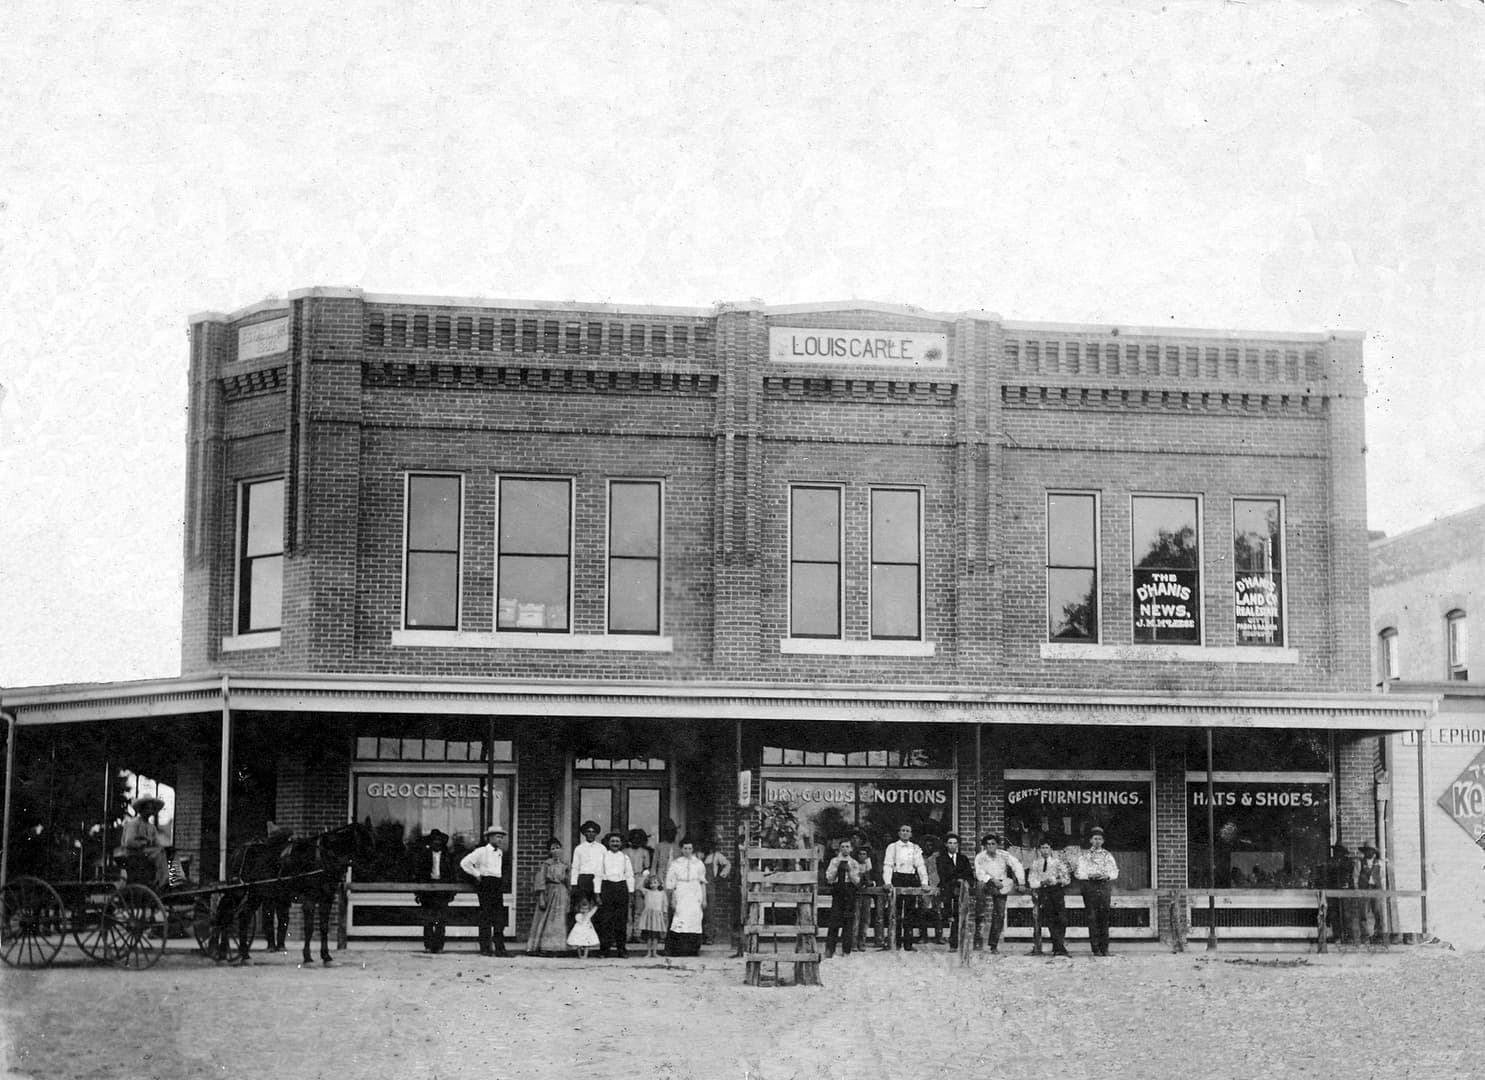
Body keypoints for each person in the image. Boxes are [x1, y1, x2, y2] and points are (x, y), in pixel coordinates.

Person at [459, 825, 509, 957]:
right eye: (498, 837)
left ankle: (500, 948)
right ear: (490, 837)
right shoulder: (481, 851)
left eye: (501, 837)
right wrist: (477, 874)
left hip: (497, 883)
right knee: (485, 916)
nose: (500, 840)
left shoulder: (500, 852)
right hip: (486, 884)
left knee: (499, 917)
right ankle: (485, 948)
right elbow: (465, 863)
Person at [972, 833, 1025, 953]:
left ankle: (993, 944)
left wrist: (1021, 882)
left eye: (993, 844)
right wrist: (992, 880)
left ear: (997, 845)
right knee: (980, 910)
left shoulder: (1004, 855)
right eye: (988, 844)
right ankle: (978, 940)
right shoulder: (980, 857)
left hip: (1001, 884)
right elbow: (980, 873)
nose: (990, 846)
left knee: (999, 914)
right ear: (985, 846)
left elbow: (1017, 865)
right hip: (987, 882)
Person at [411, 828, 459, 954]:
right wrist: (418, 892)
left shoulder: (448, 857)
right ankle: (428, 946)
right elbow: (418, 875)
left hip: (442, 891)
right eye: (434, 841)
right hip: (428, 890)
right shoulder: (423, 856)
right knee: (428, 920)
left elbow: (453, 875)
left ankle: (439, 946)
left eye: (439, 841)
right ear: (430, 842)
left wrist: (452, 893)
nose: (436, 843)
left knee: (441, 920)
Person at [882, 824, 928, 950]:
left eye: (908, 831)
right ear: (899, 833)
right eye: (902, 830)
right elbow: (888, 865)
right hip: (897, 879)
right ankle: (895, 942)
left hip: (911, 879)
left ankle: (908, 944)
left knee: (910, 912)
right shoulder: (892, 847)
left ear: (911, 834)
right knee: (895, 912)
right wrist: (887, 881)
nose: (905, 833)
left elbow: (920, 866)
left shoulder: (915, 848)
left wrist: (924, 882)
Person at [1074, 826, 1118, 957]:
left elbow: (1114, 871)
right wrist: (1089, 876)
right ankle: (1095, 949)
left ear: (1103, 841)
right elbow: (1079, 872)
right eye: (1095, 838)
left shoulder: (1107, 855)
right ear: (1090, 840)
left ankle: (1105, 948)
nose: (1097, 841)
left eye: (1100, 839)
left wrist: (1107, 876)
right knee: (1092, 917)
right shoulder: (1085, 856)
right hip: (1090, 887)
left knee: (1104, 917)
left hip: (1104, 886)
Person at [526, 837, 571, 956]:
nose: (556, 851)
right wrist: (541, 897)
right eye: (553, 849)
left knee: (559, 921)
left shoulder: (565, 865)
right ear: (549, 851)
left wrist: (569, 893)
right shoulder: (546, 865)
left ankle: (558, 947)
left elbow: (568, 881)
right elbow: (540, 881)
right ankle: (545, 946)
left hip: (561, 893)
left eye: (558, 848)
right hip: (549, 892)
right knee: (547, 920)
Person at [1027, 840, 1072, 957]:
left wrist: (1055, 880)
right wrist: (1041, 882)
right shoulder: (1035, 864)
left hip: (1057, 891)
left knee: (1061, 919)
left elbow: (1067, 879)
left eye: (1047, 847)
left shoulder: (1058, 863)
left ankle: (1059, 945)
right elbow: (1031, 880)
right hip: (1044, 892)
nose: (1045, 850)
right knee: (1050, 919)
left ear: (1051, 849)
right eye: (1042, 848)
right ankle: (1058, 947)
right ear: (1039, 850)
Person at [664, 837, 708, 956]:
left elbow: (703, 882)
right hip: (681, 891)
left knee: (694, 918)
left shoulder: (698, 864)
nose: (687, 851)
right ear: (681, 849)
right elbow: (671, 883)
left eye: (689, 848)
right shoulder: (676, 863)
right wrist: (673, 898)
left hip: (695, 891)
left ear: (693, 849)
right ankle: (677, 949)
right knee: (680, 918)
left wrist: (704, 898)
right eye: (685, 848)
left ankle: (692, 950)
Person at [595, 831, 635, 957]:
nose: (615, 844)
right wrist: (597, 893)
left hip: (621, 888)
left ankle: (621, 949)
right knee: (606, 920)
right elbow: (598, 876)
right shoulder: (602, 857)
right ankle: (604, 949)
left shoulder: (625, 857)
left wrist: (631, 892)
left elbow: (629, 875)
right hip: (607, 887)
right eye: (612, 841)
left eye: (617, 841)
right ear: (608, 843)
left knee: (621, 920)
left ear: (621, 843)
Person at [823, 837, 864, 958]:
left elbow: (857, 881)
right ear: (839, 849)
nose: (845, 849)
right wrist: (837, 869)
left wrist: (849, 871)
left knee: (848, 921)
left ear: (851, 849)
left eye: (847, 846)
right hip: (838, 891)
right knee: (834, 920)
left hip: (849, 891)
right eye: (843, 847)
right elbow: (829, 878)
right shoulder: (834, 861)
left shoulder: (854, 863)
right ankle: (830, 949)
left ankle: (846, 950)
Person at [259, 822, 294, 952]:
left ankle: (279, 943)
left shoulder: (285, 851)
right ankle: (271, 943)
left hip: (282, 888)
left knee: (282, 916)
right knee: (270, 916)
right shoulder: (267, 852)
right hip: (270, 888)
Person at [121, 795, 169, 888]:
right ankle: (161, 881)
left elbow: (156, 843)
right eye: (147, 808)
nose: (150, 811)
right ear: (141, 809)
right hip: (134, 854)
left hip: (147, 854)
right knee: (159, 852)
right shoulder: (134, 823)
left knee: (165, 851)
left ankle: (167, 879)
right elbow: (128, 842)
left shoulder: (152, 827)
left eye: (151, 809)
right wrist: (142, 843)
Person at [935, 833, 973, 949]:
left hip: (959, 891)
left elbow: (969, 875)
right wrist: (957, 879)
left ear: (958, 845)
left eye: (955, 843)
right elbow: (943, 875)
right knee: (946, 913)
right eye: (950, 843)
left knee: (958, 915)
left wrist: (963, 881)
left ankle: (954, 944)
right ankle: (940, 937)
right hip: (946, 890)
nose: (952, 845)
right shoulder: (940, 859)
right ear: (946, 845)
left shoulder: (963, 859)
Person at [624, 829, 654, 943]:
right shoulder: (625, 851)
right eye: (634, 838)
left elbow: (646, 868)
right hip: (627, 879)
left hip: (640, 879)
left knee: (639, 909)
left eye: (638, 839)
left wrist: (643, 883)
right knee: (627, 909)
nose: (636, 841)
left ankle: (637, 933)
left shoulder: (644, 852)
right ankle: (627, 934)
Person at [1355, 843, 1387, 944]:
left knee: (1377, 912)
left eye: (1371, 850)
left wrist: (1383, 890)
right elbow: (1355, 877)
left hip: (1376, 890)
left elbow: (1382, 878)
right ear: (1364, 852)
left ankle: (1378, 935)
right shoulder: (1359, 863)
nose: (1369, 852)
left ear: (1374, 852)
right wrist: (1358, 890)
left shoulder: (1379, 863)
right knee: (1363, 913)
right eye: (1367, 850)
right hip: (1364, 889)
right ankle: (1364, 936)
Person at [569, 820, 605, 907]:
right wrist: (574, 883)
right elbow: (575, 867)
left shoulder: (602, 848)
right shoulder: (579, 848)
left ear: (596, 834)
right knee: (583, 904)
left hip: (598, 878)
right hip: (583, 879)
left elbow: (605, 865)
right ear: (584, 833)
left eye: (593, 832)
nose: (591, 834)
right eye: (588, 831)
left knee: (597, 905)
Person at [639, 872, 668, 957]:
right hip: (648, 915)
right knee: (649, 936)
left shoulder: (662, 893)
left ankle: (655, 952)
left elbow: (664, 904)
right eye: (651, 883)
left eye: (655, 882)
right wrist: (644, 877)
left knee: (655, 935)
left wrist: (664, 914)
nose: (653, 885)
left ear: (659, 883)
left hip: (657, 915)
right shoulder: (647, 892)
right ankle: (648, 952)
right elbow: (639, 887)